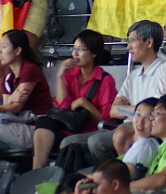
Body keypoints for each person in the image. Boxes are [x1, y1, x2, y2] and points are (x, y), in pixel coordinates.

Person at [67, 21, 164, 164]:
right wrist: (136, 110)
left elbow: (153, 111)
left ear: (149, 42)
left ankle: (118, 176)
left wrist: (130, 110)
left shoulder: (164, 70)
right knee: (69, 142)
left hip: (147, 128)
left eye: (132, 41)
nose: (128, 47)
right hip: (127, 126)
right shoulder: (133, 75)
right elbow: (113, 111)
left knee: (98, 141)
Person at [33, 29, 117, 169]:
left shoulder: (105, 80)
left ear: (94, 53)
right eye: (74, 49)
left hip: (89, 131)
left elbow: (106, 121)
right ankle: (38, 170)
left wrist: (85, 104)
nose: (75, 53)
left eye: (80, 49)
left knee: (59, 139)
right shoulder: (70, 75)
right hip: (69, 128)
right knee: (44, 123)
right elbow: (63, 108)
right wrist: (60, 76)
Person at [0, 29, 53, 169]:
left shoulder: (29, 70)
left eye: (4, 47)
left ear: (17, 51)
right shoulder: (8, 78)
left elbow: (16, 107)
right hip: (13, 126)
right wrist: (12, 99)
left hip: (32, 129)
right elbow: (9, 105)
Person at [119, 98, 160, 177]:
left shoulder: (145, 144)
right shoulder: (146, 143)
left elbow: (121, 176)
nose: (140, 122)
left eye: (148, 118)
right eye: (138, 114)